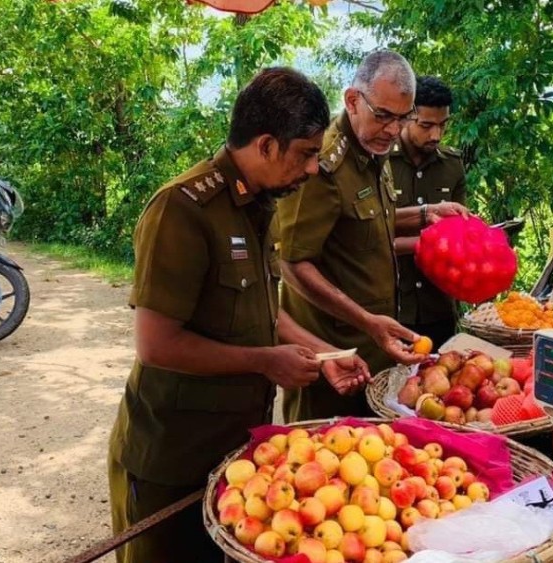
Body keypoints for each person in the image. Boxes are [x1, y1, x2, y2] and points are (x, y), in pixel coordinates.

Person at [107, 67, 371, 563]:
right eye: (307, 154)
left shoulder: (258, 204)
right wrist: (264, 362)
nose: (313, 169)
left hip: (235, 454)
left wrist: (322, 353)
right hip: (172, 457)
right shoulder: (182, 210)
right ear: (267, 145)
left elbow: (259, 311)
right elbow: (156, 344)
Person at [275, 51, 468, 422]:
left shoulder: (373, 148)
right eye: (383, 116)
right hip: (332, 359)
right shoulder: (322, 164)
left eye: (403, 118)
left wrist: (427, 214)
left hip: (377, 350)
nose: (394, 130)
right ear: (352, 101)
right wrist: (365, 320)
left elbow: (367, 222)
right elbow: (293, 263)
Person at [391, 76, 467, 348]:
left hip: (439, 307)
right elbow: (365, 237)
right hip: (391, 308)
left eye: (442, 125)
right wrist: (422, 243)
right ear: (404, 118)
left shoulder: (452, 165)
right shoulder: (380, 164)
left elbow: (458, 230)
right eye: (426, 125)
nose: (436, 135)